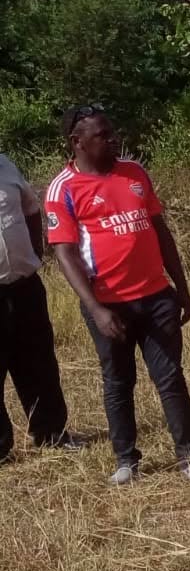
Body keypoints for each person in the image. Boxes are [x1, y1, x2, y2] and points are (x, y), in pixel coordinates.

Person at [47, 107, 190, 485]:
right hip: (108, 305)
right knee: (118, 380)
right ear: (77, 142)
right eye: (103, 134)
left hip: (156, 296)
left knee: (170, 377)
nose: (113, 139)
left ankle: (188, 456)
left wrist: (180, 286)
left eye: (113, 131)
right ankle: (126, 460)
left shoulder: (135, 173)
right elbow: (64, 253)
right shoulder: (63, 188)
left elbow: (160, 230)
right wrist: (96, 308)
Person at [0, 148, 70, 462]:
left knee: (39, 362)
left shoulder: (6, 164)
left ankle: (51, 433)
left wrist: (35, 252)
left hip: (25, 286)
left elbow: (30, 208)